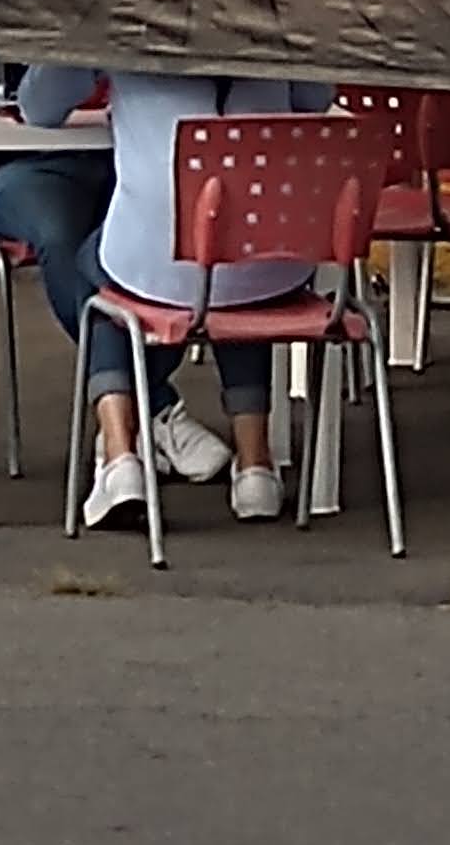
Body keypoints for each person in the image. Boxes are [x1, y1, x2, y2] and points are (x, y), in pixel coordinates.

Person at [19, 65, 330, 530]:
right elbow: (315, 98)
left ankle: (120, 455)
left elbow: (39, 108)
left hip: (154, 264)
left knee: (100, 277)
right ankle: (256, 467)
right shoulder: (273, 30)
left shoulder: (128, 25)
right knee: (236, 268)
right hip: (274, 265)